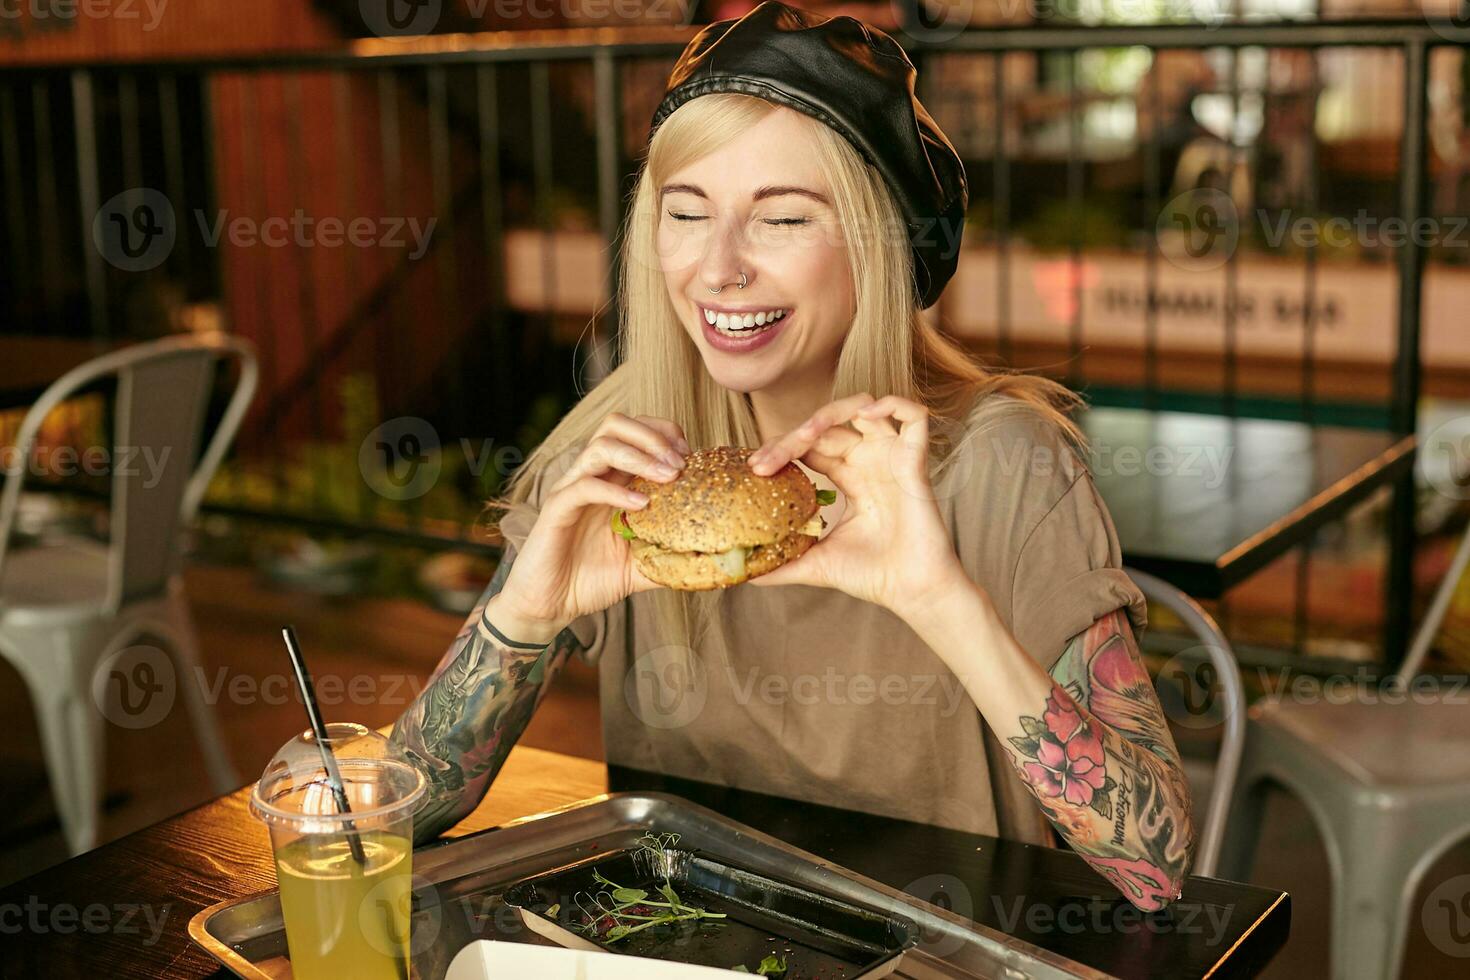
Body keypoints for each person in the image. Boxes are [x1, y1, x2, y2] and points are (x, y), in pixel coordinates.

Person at [389, 0, 1196, 912]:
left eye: (782, 220)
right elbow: (392, 823)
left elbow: (1156, 867)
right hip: (683, 941)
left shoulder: (1005, 464)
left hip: (931, 950)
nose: (719, 268)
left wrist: (940, 600)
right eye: (686, 213)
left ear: (879, 242)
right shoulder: (623, 455)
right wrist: (527, 614)